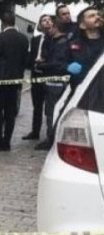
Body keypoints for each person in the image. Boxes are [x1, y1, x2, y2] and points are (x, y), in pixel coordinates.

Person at [0, 13, 29, 152]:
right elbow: (25, 61)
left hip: (0, 81)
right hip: (15, 82)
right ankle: (6, 142)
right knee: (10, 113)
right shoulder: (23, 39)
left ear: (3, 23)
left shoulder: (0, 37)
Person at [33, 16, 68, 151]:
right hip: (52, 81)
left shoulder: (61, 43)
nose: (47, 29)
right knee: (50, 111)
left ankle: (51, 139)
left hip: (55, 82)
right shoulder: (54, 41)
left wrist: (42, 65)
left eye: (50, 26)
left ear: (55, 27)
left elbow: (58, 64)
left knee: (51, 112)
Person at [22, 14, 53, 140]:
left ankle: (50, 135)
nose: (47, 22)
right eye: (44, 20)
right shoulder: (35, 39)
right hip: (35, 75)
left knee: (50, 107)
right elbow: (30, 56)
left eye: (49, 20)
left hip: (48, 76)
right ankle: (35, 132)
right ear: (40, 25)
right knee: (37, 106)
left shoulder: (54, 39)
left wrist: (44, 62)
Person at [66, 6, 104, 91]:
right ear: (82, 25)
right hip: (82, 91)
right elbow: (59, 64)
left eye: (98, 15)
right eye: (92, 16)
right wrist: (67, 67)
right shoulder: (72, 45)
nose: (97, 17)